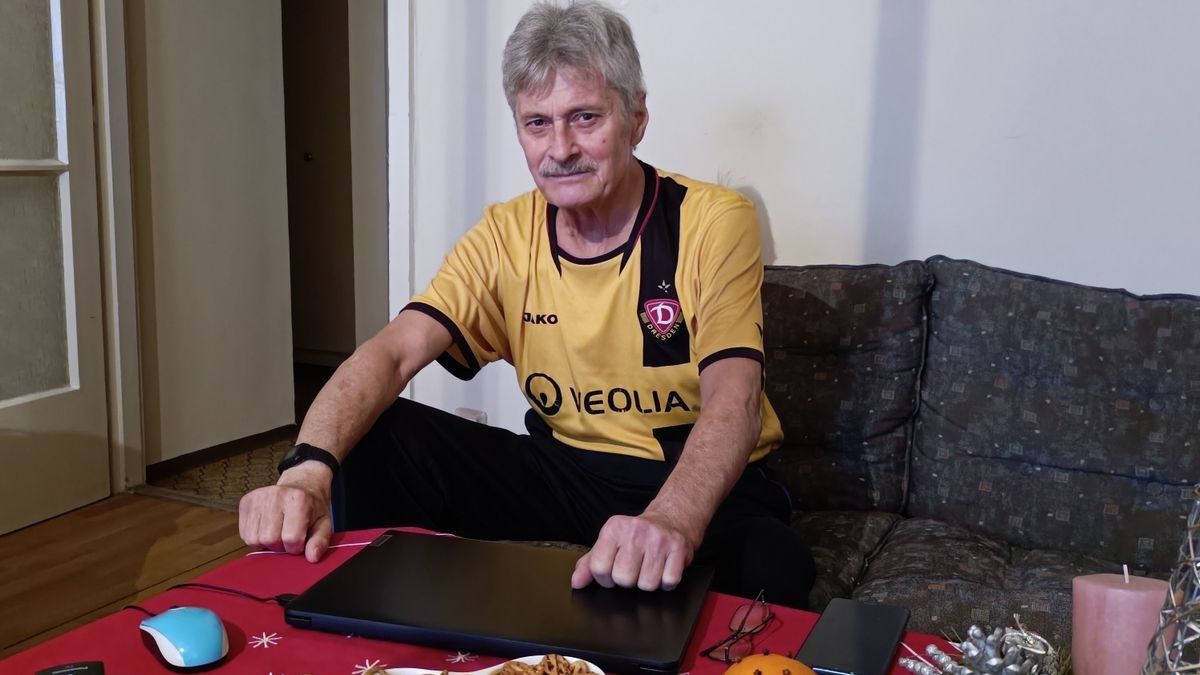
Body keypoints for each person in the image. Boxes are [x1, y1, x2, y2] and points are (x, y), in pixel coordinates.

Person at [239, 0, 815, 609]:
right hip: (562, 469)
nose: (560, 148)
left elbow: (735, 397)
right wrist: (306, 469)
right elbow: (391, 354)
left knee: (773, 562)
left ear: (637, 118)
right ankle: (372, 625)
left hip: (683, 475)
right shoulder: (504, 235)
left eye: (585, 117)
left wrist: (670, 518)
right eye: (537, 123)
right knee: (376, 434)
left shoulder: (713, 220)